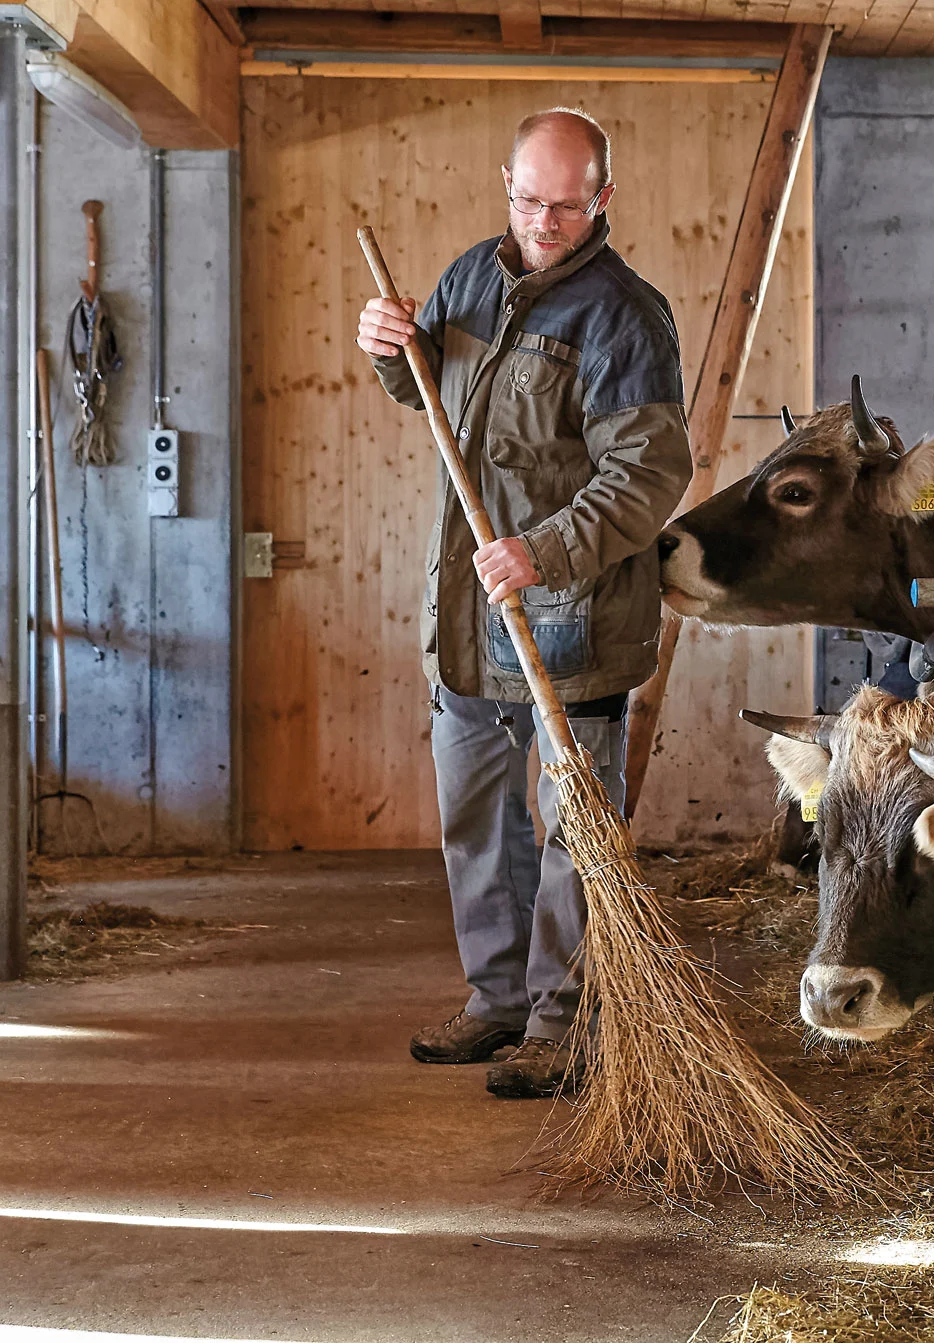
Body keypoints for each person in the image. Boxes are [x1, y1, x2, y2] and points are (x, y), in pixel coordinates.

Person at [356, 107, 690, 1099]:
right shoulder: (470, 276)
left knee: (570, 837)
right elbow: (432, 393)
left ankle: (561, 1019)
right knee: (475, 821)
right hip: (466, 617)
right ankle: (495, 1000)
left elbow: (646, 474)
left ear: (603, 198)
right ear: (506, 183)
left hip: (569, 619)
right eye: (528, 198)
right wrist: (389, 347)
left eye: (567, 203)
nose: (545, 219)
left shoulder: (624, 318)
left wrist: (544, 549)